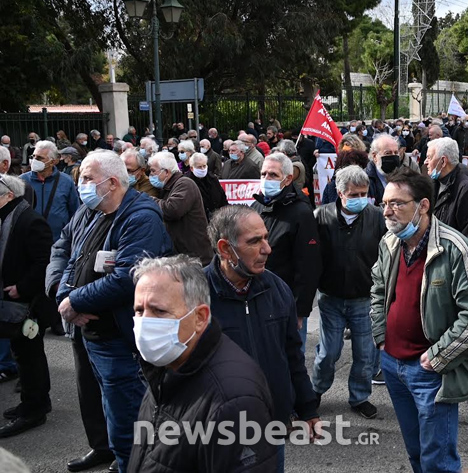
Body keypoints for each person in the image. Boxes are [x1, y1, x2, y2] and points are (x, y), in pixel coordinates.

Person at [52, 151, 173, 472]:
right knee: (98, 400)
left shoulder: (141, 217)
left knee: (127, 412)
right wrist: (66, 296)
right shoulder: (89, 211)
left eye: (88, 179)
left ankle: (132, 463)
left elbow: (127, 278)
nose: (81, 185)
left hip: (119, 336)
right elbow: (68, 253)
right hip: (87, 330)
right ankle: (107, 450)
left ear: (113, 183)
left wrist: (75, 302)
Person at [371, 168, 468, 473]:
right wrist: (381, 335)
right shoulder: (389, 242)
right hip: (392, 365)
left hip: (430, 371)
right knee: (416, 453)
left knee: (437, 460)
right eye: (384, 203)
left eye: (397, 203)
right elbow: (377, 288)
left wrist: (437, 357)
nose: (387, 211)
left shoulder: (455, 248)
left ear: (423, 205)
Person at [127, 255, 279, 472]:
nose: (145, 323)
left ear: (199, 317)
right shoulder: (165, 364)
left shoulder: (233, 400)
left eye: (159, 311)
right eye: (139, 311)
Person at [204, 206, 320, 470]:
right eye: (255, 241)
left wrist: (307, 409)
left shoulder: (278, 289)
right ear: (225, 249)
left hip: (270, 426)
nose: (267, 249)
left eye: (266, 238)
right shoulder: (194, 295)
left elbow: (293, 355)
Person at [312, 165, 385, 420]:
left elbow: (389, 254)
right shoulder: (321, 216)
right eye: (353, 195)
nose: (359, 199)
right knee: (328, 352)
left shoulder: (376, 217)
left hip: (364, 298)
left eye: (363, 193)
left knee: (365, 354)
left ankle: (360, 397)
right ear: (340, 193)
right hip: (331, 298)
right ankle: (316, 390)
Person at [0, 176, 54, 438]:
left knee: (31, 354)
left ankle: (35, 409)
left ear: (9, 195)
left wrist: (21, 287)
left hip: (29, 302)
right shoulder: (10, 216)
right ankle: (31, 403)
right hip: (13, 301)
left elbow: (44, 262)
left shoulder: (29, 220)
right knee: (22, 353)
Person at [250, 153, 321, 352]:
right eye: (263, 174)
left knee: (290, 358)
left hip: (286, 302)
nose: (266, 179)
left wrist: (300, 310)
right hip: (258, 296)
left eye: (272, 175)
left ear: (287, 179)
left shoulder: (301, 213)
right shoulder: (257, 206)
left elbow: (308, 265)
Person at [426, 138, 468, 287]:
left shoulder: (466, 190)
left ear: (443, 161)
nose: (426, 162)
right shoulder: (435, 186)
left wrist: (465, 278)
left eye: (429, 157)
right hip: (446, 270)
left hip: (463, 276)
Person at [148, 151, 213, 266]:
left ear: (166, 172)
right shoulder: (168, 186)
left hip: (195, 258)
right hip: (183, 257)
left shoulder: (184, 184)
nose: (151, 175)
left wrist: (149, 199)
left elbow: (172, 210)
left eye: (153, 171)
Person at [21, 140, 80, 242]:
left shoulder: (66, 181)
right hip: (29, 241)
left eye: (39, 158)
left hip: (58, 241)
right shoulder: (22, 181)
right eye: (33, 156)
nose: (34, 160)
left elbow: (75, 212)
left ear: (52, 162)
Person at [184, 152, 228, 220]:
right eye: (199, 167)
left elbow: (222, 197)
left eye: (204, 166)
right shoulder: (186, 182)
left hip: (216, 218)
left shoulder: (213, 179)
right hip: (197, 220)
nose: (202, 169)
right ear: (192, 168)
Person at [366, 134, 401, 206]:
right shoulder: (365, 180)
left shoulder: (404, 177)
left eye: (396, 152)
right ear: (375, 156)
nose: (393, 156)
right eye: (388, 153)